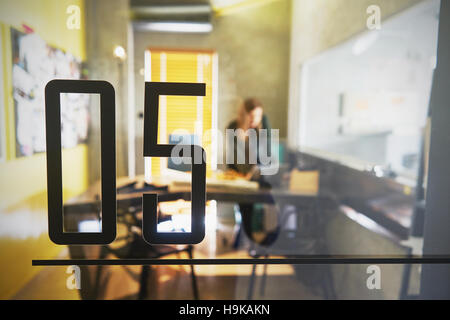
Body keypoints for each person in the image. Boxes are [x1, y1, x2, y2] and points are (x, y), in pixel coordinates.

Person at [226, 98, 276, 246]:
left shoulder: (262, 127)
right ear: (244, 115)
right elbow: (234, 157)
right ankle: (249, 236)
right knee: (245, 204)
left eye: (258, 116)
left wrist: (254, 171)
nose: (255, 119)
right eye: (252, 116)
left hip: (258, 174)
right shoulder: (233, 127)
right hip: (238, 175)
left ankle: (259, 238)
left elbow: (265, 157)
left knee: (263, 204)